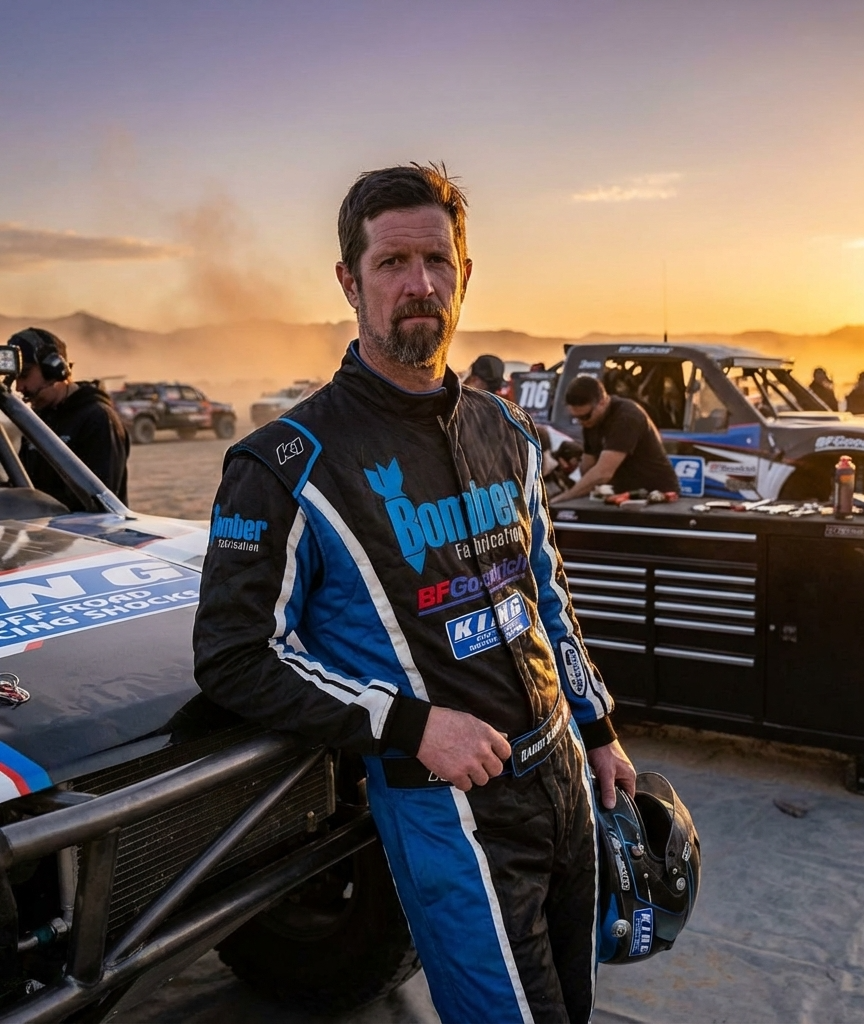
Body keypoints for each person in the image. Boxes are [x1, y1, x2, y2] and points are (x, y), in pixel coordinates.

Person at [192, 163, 634, 1024]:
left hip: (567, 776)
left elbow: (545, 593)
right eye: (393, 263)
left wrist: (600, 727)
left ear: (464, 273)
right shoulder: (285, 465)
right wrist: (410, 725)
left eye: (437, 259)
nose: (419, 284)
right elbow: (234, 657)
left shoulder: (504, 430)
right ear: (349, 281)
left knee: (575, 1004)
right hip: (448, 806)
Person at [8, 327, 129, 510]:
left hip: (90, 536)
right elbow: (25, 484)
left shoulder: (97, 419)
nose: (19, 387)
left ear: (54, 369)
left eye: (24, 375)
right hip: (47, 535)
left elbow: (99, 504)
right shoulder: (38, 419)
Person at [550, 375, 678, 503]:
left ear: (602, 402)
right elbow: (588, 468)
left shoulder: (626, 417)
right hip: (624, 494)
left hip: (656, 494)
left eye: (584, 416)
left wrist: (565, 497)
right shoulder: (592, 421)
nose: (581, 422)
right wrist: (567, 472)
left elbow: (603, 473)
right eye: (576, 417)